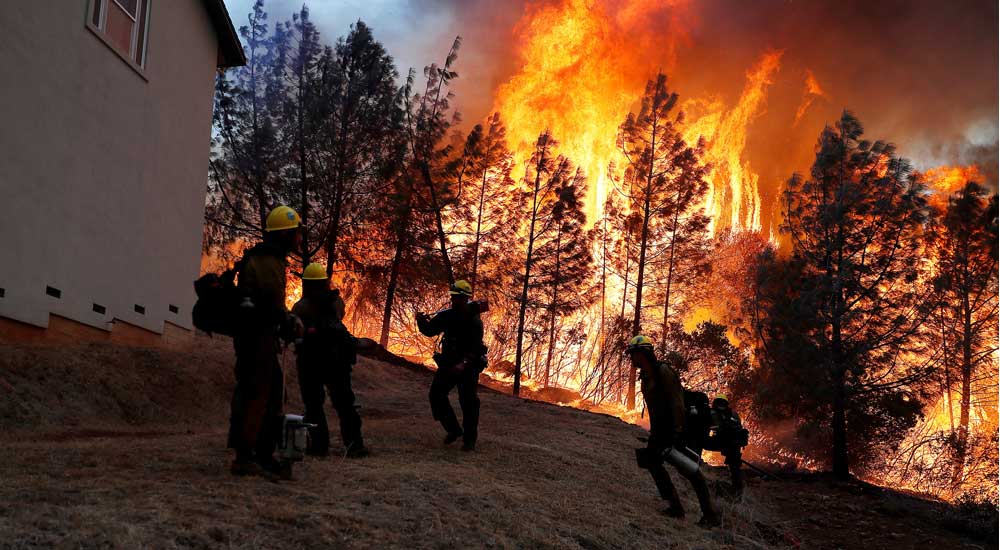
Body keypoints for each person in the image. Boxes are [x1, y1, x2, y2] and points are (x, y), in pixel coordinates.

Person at [228, 205, 302, 478]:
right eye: (296, 233)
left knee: (265, 393)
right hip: (257, 338)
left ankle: (256, 453)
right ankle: (249, 457)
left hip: (255, 336)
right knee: (260, 395)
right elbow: (269, 303)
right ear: (284, 234)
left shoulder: (265, 258)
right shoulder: (269, 261)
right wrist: (287, 322)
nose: (299, 239)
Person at [627, 335, 720, 527]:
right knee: (651, 461)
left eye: (633, 354)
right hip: (660, 431)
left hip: (676, 429)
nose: (631, 358)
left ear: (642, 353)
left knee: (690, 472)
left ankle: (710, 515)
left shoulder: (663, 372)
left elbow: (677, 402)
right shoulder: (646, 375)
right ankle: (675, 508)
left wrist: (678, 432)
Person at [291, 262, 367, 458]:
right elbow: (340, 318)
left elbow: (294, 330)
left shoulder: (300, 307)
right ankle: (355, 445)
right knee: (344, 404)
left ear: (306, 283)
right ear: (325, 282)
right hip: (337, 360)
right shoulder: (336, 302)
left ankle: (318, 447)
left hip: (310, 362)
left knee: (314, 405)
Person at [416, 280, 487, 452]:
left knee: (468, 402)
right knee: (436, 395)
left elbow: (475, 348)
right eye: (453, 296)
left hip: (468, 366)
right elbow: (430, 330)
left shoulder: (474, 321)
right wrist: (421, 321)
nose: (454, 300)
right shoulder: (447, 315)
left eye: (457, 297)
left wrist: (463, 364)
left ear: (466, 298)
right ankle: (454, 430)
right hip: (449, 363)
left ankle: (469, 440)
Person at [704, 395, 748, 497]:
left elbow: (706, 429)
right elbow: (739, 428)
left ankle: (737, 491)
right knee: (735, 467)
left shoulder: (712, 413)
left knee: (701, 442)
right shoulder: (734, 413)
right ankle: (738, 490)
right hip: (735, 444)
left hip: (723, 442)